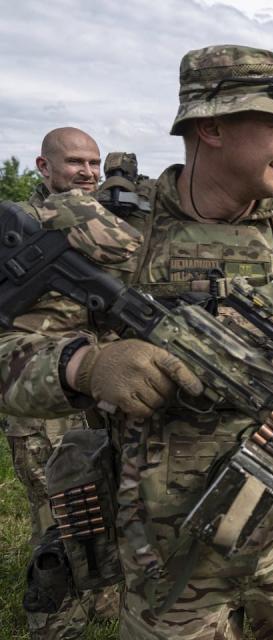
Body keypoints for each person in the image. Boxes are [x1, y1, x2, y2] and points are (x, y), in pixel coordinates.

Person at [0, 44, 273, 639]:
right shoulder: (111, 237)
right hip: (171, 568)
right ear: (210, 125)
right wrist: (85, 364)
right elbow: (10, 358)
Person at [2, 126, 120, 640]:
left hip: (100, 384)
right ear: (43, 167)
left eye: (94, 164)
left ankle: (102, 595)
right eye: (75, 162)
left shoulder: (101, 225)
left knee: (103, 494)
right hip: (38, 391)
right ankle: (53, 620)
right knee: (55, 510)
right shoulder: (19, 227)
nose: (87, 174)